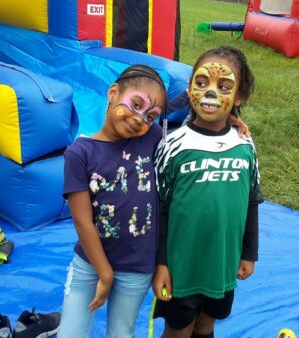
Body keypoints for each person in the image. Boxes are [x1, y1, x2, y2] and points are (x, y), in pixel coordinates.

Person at [152, 46, 263, 338]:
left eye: (223, 86)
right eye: (201, 83)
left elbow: (252, 200)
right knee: (179, 329)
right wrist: (161, 263)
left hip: (222, 265)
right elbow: (160, 208)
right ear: (189, 89)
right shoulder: (173, 144)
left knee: (206, 324)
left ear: (238, 96)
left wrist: (249, 253)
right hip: (181, 267)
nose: (210, 93)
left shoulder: (244, 145)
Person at [58, 65, 168, 338]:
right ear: (113, 92)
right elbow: (83, 222)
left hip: (137, 266)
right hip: (89, 264)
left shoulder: (152, 138)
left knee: (121, 333)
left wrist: (232, 121)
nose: (140, 119)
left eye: (150, 116)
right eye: (136, 104)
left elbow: (197, 120)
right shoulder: (79, 153)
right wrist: (104, 273)